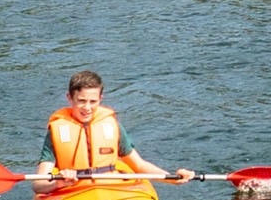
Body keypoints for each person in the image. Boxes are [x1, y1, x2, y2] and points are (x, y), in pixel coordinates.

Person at [36, 70, 192, 182]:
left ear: (100, 99)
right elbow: (39, 184)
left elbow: (139, 165)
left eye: (93, 101)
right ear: (69, 98)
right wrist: (61, 181)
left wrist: (173, 178)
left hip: (110, 186)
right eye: (81, 101)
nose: (87, 108)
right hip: (72, 188)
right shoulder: (57, 130)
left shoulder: (112, 126)